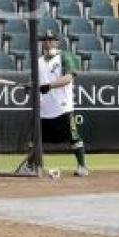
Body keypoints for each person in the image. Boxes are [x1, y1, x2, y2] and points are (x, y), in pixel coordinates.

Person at [28, 30, 89, 177]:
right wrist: (30, 86)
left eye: (50, 39)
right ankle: (30, 166)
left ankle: (82, 166)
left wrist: (48, 86)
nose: (47, 42)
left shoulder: (64, 56)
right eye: (45, 40)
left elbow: (68, 78)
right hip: (43, 108)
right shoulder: (39, 61)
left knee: (74, 137)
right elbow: (34, 82)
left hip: (63, 107)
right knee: (34, 140)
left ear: (56, 42)